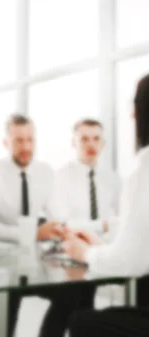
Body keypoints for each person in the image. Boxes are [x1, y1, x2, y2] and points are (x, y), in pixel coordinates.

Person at [0, 114, 93, 337]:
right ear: (6, 143)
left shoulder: (45, 172)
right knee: (7, 307)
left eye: (30, 140)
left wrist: (60, 229)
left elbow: (58, 215)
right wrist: (32, 234)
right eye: (19, 141)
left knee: (76, 293)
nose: (26, 146)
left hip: (35, 265)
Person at [66, 74, 149, 336]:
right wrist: (108, 248)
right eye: (85, 139)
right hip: (110, 252)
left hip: (106, 259)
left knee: (81, 321)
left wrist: (86, 253)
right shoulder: (61, 177)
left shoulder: (140, 172)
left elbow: (131, 261)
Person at [50, 118, 121, 235]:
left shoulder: (113, 179)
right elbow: (62, 224)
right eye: (84, 139)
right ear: (74, 142)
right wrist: (103, 225)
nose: (91, 144)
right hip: (73, 245)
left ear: (103, 143)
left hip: (107, 247)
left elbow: (123, 219)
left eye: (96, 139)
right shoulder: (60, 177)